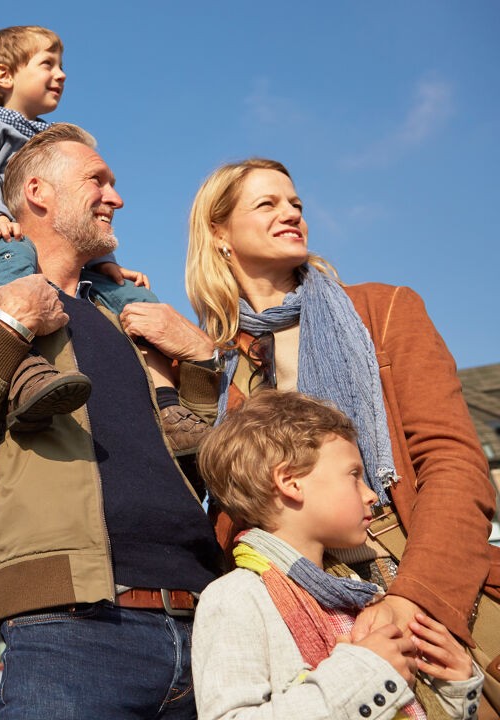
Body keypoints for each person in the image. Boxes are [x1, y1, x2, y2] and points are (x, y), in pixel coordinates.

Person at [122, 157, 496, 715]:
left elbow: (453, 465)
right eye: (267, 204)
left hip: (422, 580)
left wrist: (414, 600)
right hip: (296, 608)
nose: (291, 213)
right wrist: (195, 361)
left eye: (294, 203)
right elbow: (195, 496)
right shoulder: (211, 358)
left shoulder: (383, 310)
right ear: (219, 233)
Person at [0, 122, 223, 719]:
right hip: (72, 633)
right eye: (97, 180)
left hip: (206, 629)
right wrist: (11, 329)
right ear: (39, 194)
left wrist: (201, 364)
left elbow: (195, 468)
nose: (116, 197)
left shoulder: (131, 321)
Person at [0, 26, 205, 449]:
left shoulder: (56, 140)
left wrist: (100, 262)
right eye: (47, 64)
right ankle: (22, 370)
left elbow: (67, 223)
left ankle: (168, 405)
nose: (62, 74)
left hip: (50, 246)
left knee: (134, 296)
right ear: (4, 76)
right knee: (16, 257)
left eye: (61, 64)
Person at [193, 390, 483, 719]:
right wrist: (367, 670)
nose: (372, 494)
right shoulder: (235, 598)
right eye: (354, 475)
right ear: (290, 482)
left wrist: (457, 691)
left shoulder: (360, 595)